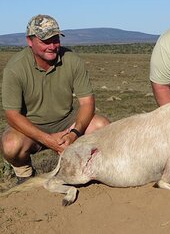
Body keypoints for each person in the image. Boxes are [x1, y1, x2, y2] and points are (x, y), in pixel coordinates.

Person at [1, 14, 110, 183]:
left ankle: (87, 169)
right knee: (10, 145)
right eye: (45, 41)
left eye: (56, 39)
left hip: (67, 122)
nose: (52, 45)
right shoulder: (15, 69)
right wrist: (47, 140)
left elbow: (87, 103)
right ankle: (24, 175)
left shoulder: (72, 61)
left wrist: (74, 133)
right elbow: (12, 115)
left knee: (102, 126)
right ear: (29, 41)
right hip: (31, 127)